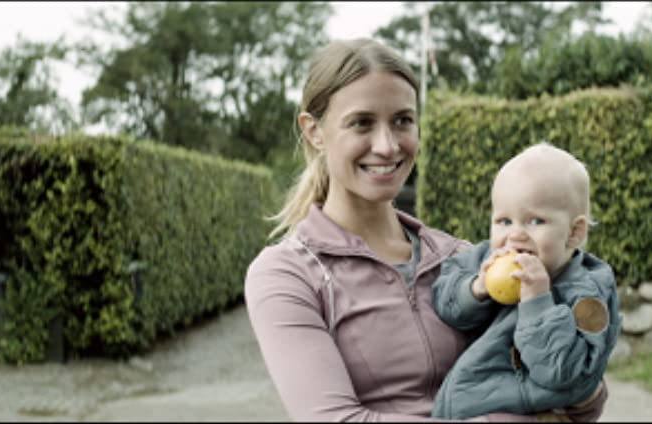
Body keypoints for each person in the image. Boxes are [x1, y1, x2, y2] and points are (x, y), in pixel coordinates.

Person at [243, 38, 609, 422]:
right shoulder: (287, 274)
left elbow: (548, 389)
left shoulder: (462, 261)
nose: (386, 146)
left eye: (402, 120)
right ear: (314, 130)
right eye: (361, 123)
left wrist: (581, 384)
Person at [430, 144, 621, 419]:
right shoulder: (484, 259)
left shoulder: (587, 294)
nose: (515, 236)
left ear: (574, 232)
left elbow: (564, 374)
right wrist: (476, 289)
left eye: (535, 221)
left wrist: (538, 303)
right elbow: (444, 303)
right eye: (504, 221)